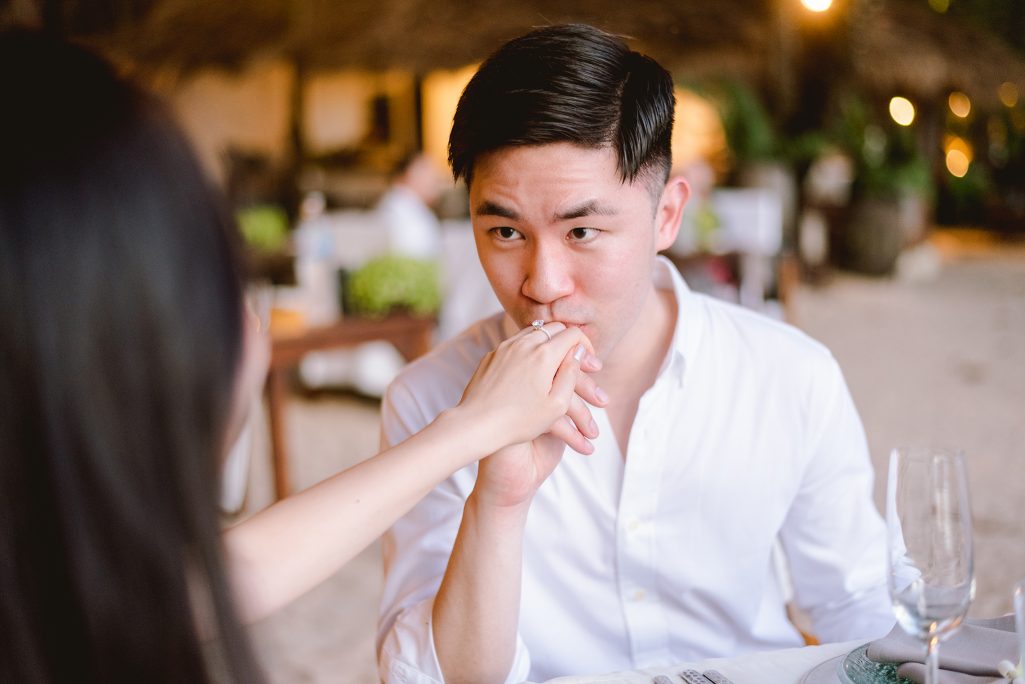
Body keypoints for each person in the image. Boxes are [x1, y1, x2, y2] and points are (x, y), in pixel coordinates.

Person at [0, 29, 603, 682]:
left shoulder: (56, 589)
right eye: (208, 258)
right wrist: (472, 430)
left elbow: (231, 572)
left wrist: (472, 436)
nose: (245, 317)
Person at [377, 23, 895, 684]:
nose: (541, 283)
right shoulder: (428, 402)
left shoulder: (790, 376)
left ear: (667, 215)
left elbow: (857, 607)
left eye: (582, 230)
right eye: (504, 230)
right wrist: (495, 496)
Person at [376, 150, 445, 259]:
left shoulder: (408, 205)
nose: (435, 180)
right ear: (408, 174)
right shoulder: (399, 208)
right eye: (427, 172)